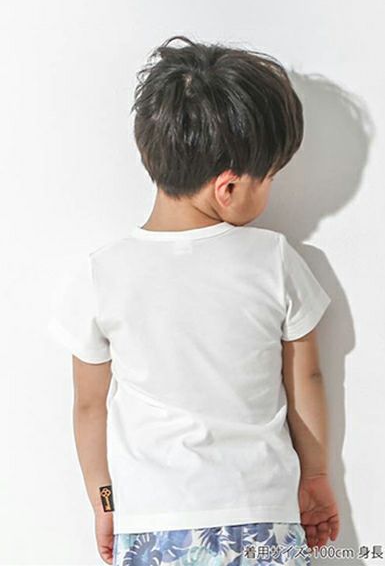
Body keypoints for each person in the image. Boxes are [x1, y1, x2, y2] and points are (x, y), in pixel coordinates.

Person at [47, 35, 340, 566]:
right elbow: (307, 378)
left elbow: (89, 406)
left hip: (153, 525)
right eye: (270, 177)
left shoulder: (101, 273)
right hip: (261, 518)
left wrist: (105, 503)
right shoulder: (273, 259)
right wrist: (316, 475)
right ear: (229, 188)